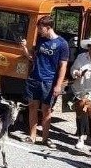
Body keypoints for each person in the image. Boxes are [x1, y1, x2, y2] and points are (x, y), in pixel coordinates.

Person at [20, 16, 69, 149]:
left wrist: (58, 85)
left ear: (48, 28)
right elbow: (32, 58)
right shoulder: (40, 40)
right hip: (34, 78)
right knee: (32, 107)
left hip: (48, 81)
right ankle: (32, 136)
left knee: (46, 110)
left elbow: (63, 66)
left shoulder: (62, 44)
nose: (39, 31)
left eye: (41, 29)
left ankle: (45, 138)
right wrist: (24, 49)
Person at [70, 36, 91, 149]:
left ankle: (90, 137)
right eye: (89, 46)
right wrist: (76, 73)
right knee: (81, 115)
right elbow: (73, 69)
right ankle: (80, 137)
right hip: (80, 90)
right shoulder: (81, 57)